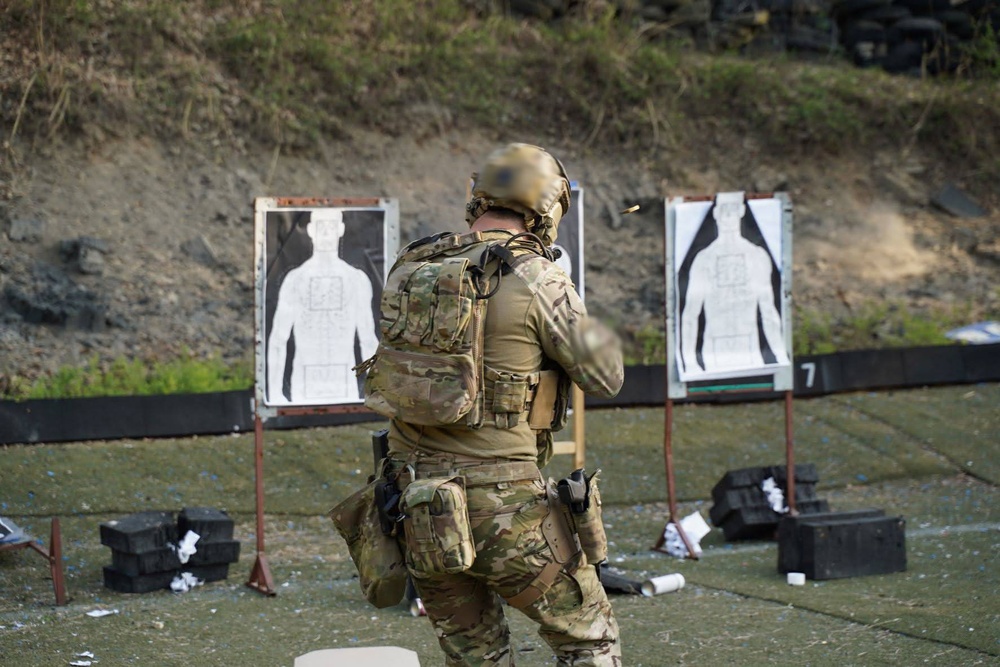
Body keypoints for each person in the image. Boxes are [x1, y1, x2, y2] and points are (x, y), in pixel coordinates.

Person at [373, 143, 623, 666]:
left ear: (479, 193)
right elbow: (606, 376)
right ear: (548, 206)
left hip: (420, 506)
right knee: (588, 640)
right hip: (508, 509)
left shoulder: (412, 266)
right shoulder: (538, 277)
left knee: (475, 657)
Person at [267, 209, 379, 404]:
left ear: (340, 230)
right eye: (321, 227)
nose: (326, 234)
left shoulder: (356, 280)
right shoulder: (296, 280)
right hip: (304, 383)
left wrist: (379, 391)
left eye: (331, 227)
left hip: (344, 382)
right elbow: (278, 339)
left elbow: (368, 341)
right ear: (311, 230)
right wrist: (275, 393)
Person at [680, 192, 789, 376]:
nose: (728, 216)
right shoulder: (704, 259)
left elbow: (768, 311)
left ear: (742, 211)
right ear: (715, 213)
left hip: (749, 347)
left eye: (732, 210)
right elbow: (691, 314)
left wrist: (780, 355)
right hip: (714, 349)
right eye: (723, 210)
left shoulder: (757, 256)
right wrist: (689, 361)